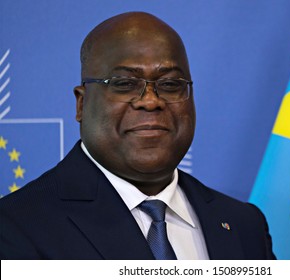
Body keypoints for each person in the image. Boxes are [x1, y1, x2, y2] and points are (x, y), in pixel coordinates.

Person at [0, 12, 275, 260]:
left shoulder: (243, 224)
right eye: (124, 84)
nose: (151, 101)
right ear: (82, 104)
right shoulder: (16, 226)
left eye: (169, 84)